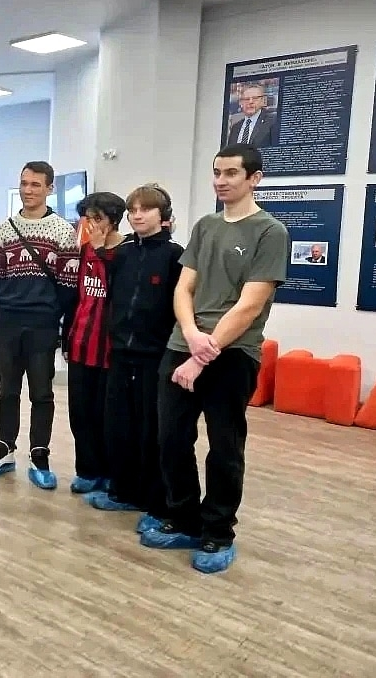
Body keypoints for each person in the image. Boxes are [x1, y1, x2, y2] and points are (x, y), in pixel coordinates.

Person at [140, 144, 289, 574]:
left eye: (231, 173)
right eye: (217, 173)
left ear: (254, 178)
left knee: (224, 446)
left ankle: (218, 531)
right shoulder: (205, 226)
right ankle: (184, 517)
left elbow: (249, 304)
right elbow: (183, 288)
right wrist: (189, 335)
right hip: (183, 345)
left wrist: (202, 355)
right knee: (171, 438)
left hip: (233, 352)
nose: (221, 181)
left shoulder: (270, 232)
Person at [82, 185, 183, 537]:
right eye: (133, 210)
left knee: (151, 431)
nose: (138, 215)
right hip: (121, 353)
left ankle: (155, 503)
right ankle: (123, 491)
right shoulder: (124, 254)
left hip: (155, 356)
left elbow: (179, 306)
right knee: (118, 426)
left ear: (162, 215)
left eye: (146, 209)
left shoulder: (174, 256)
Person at [0, 161, 79, 489]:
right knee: (7, 390)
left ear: (50, 188)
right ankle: (4, 450)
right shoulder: (3, 230)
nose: (28, 190)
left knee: (41, 393)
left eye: (36, 184)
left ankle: (39, 455)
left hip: (42, 326)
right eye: (24, 183)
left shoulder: (63, 231)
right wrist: (16, 301)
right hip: (8, 323)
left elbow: (68, 284)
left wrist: (49, 313)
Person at [62, 192, 127, 495]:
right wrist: (66, 337)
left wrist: (102, 252)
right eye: (87, 218)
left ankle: (111, 472)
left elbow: (120, 291)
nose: (91, 225)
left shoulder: (127, 252)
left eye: (97, 218)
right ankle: (87, 470)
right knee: (81, 413)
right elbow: (76, 297)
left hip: (111, 350)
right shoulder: (84, 251)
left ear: (113, 220)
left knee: (109, 417)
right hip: (81, 344)